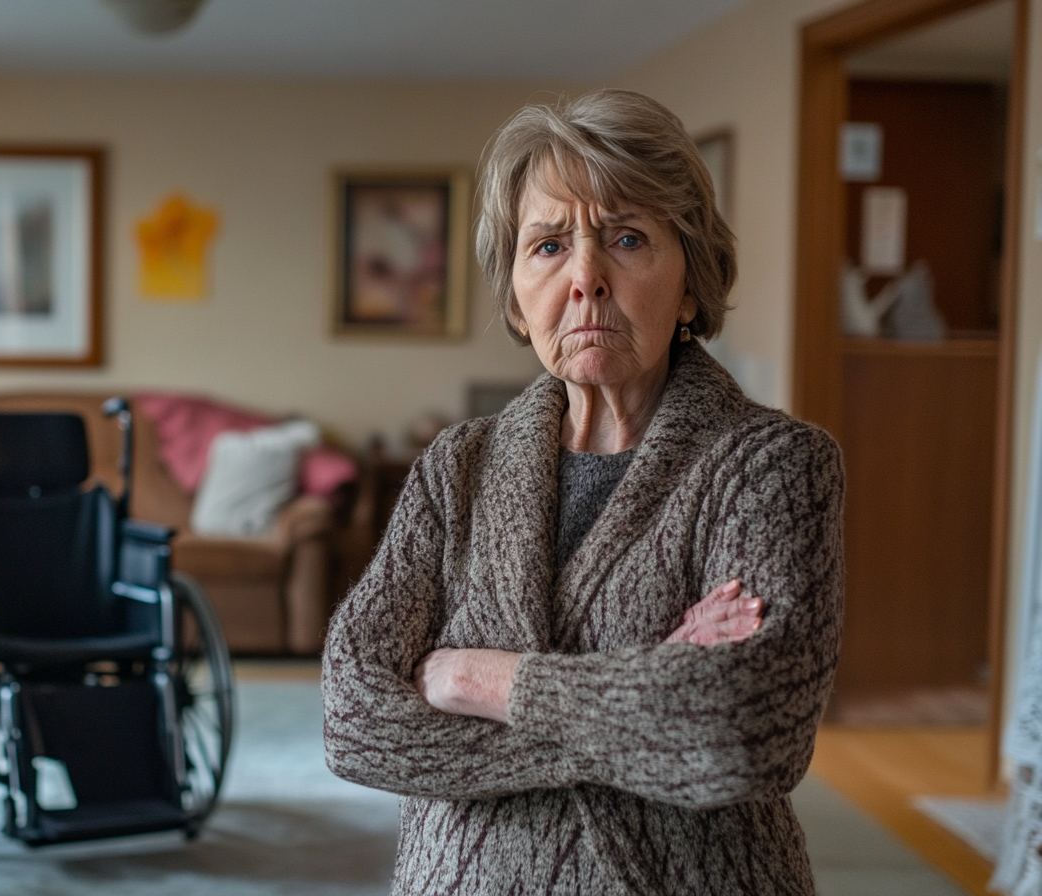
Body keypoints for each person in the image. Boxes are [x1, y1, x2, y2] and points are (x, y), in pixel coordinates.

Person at [321, 88, 844, 895]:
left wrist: (472, 680)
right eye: (549, 245)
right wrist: (647, 695)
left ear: (692, 284)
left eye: (627, 238)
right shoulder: (455, 466)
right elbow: (354, 720)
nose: (586, 278)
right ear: (514, 300)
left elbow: (744, 732)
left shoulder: (771, 465)